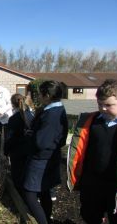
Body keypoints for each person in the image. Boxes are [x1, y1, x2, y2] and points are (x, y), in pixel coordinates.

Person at [67, 79, 117, 223]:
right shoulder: (91, 122)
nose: (103, 108)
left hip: (116, 185)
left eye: (109, 105)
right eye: (100, 104)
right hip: (93, 182)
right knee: (90, 215)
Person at [22, 80, 68, 224]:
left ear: (47, 95)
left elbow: (42, 142)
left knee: (29, 193)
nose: (39, 97)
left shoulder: (51, 115)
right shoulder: (59, 110)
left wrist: (30, 135)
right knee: (44, 190)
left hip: (41, 158)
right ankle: (47, 218)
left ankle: (43, 221)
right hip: (51, 155)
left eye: (40, 94)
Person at [4, 93, 34, 191]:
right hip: (30, 150)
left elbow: (9, 138)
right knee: (28, 174)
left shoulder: (13, 119)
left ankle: (21, 198)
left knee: (17, 176)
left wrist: (5, 151)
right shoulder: (32, 116)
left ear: (13, 104)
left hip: (17, 152)